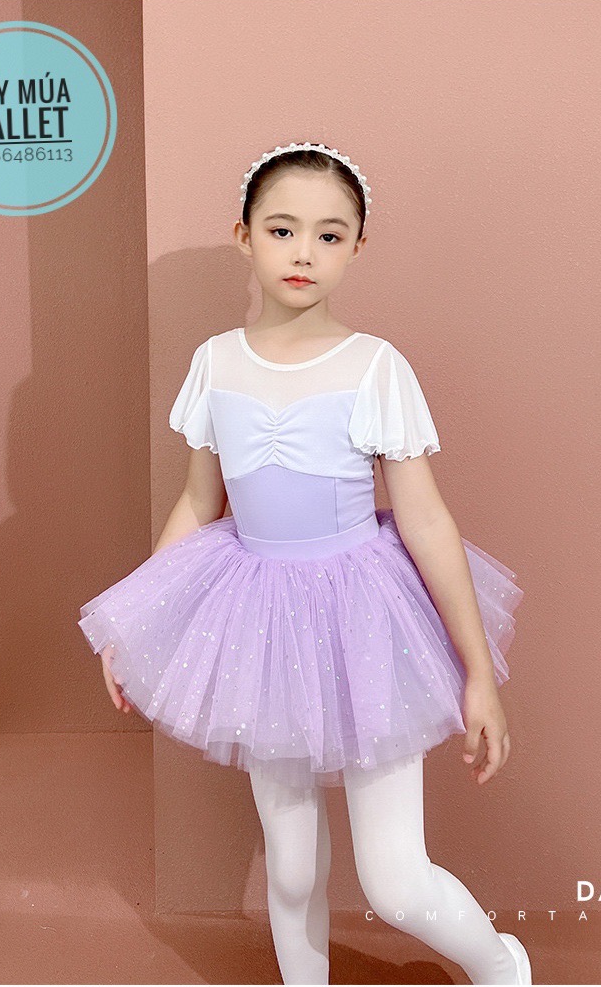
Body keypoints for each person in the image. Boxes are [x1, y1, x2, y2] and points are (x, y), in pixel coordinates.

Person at [77, 141, 532, 986]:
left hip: (365, 620)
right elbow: (199, 502)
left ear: (357, 248)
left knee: (396, 882)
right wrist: (132, 623)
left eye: (330, 235)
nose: (304, 252)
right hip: (260, 626)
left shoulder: (373, 366)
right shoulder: (216, 362)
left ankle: (504, 967)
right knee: (289, 868)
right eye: (282, 229)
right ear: (244, 236)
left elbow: (427, 520)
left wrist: (479, 674)